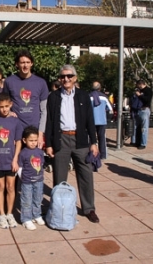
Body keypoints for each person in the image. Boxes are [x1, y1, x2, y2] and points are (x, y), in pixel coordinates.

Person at [45, 64, 100, 223]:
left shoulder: (83, 96)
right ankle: (58, 208)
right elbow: (49, 121)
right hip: (61, 139)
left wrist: (94, 142)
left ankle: (89, 208)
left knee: (86, 176)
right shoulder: (53, 96)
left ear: (75, 78)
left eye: (69, 76)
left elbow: (90, 120)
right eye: (63, 77)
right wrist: (48, 144)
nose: (66, 79)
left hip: (80, 140)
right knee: (60, 177)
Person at [3, 49, 49, 148]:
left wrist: (41, 134)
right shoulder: (9, 81)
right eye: (22, 62)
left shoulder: (41, 82)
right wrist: (9, 112)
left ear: (32, 63)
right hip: (16, 131)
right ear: (17, 64)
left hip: (34, 133)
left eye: (28, 62)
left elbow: (44, 110)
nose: (25, 65)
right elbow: (4, 103)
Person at [0, 92, 22, 229]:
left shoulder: (15, 121)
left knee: (10, 186)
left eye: (6, 106)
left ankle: (10, 213)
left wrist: (15, 159)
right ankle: (2, 214)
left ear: (11, 105)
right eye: (1, 106)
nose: (4, 109)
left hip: (11, 160)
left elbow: (18, 141)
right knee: (0, 186)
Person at [18, 126, 45, 230]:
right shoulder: (23, 153)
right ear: (24, 140)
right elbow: (20, 167)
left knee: (38, 199)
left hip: (39, 180)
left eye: (35, 140)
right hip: (27, 182)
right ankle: (26, 219)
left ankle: (36, 215)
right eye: (31, 140)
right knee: (26, 200)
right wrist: (23, 178)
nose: (33, 143)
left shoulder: (40, 152)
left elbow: (41, 164)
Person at [89, 81, 113, 159]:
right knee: (102, 138)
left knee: (91, 138)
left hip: (91, 121)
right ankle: (102, 155)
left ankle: (91, 154)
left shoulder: (89, 96)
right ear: (100, 88)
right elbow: (110, 109)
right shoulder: (104, 97)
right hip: (101, 120)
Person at [131, 79, 153, 150]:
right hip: (137, 110)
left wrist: (140, 95)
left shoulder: (148, 90)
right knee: (136, 127)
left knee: (144, 128)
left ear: (141, 84)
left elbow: (147, 100)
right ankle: (135, 141)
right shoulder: (138, 91)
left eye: (138, 85)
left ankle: (143, 143)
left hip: (144, 110)